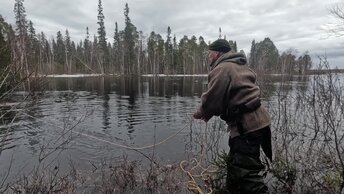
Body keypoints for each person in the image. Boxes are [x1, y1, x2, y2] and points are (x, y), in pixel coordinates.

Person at [193, 39, 272, 194]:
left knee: (247, 175)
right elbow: (227, 97)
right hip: (259, 122)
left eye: (210, 53)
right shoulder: (239, 65)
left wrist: (202, 112)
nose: (209, 56)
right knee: (236, 167)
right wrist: (209, 113)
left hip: (247, 127)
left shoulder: (223, 68)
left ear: (216, 53)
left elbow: (212, 99)